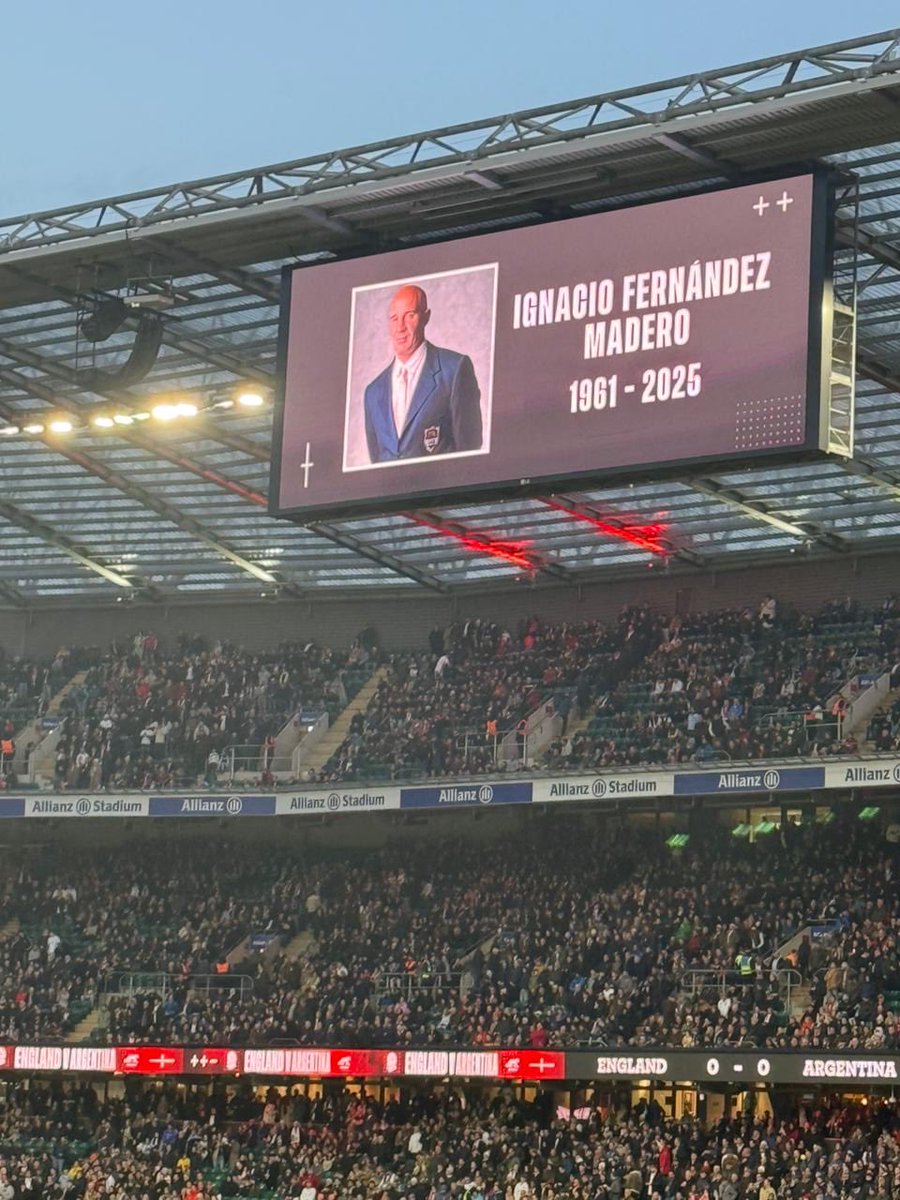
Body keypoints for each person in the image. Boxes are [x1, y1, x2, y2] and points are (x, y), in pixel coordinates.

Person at [363, 284, 482, 462]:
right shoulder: (373, 392)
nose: (400, 327)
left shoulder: (455, 370)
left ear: (426, 317)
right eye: (394, 318)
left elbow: (469, 449)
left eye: (409, 315)